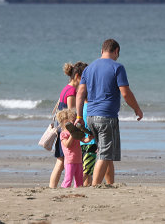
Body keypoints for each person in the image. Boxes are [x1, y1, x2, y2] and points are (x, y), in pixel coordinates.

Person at [75, 39, 143, 186]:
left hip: (91, 116)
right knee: (104, 155)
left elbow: (80, 93)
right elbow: (125, 93)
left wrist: (80, 116)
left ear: (102, 51)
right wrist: (136, 108)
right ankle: (95, 186)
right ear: (116, 51)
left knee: (106, 153)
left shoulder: (89, 68)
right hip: (106, 117)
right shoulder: (117, 67)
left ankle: (110, 184)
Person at [49, 61, 88, 188]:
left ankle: (52, 187)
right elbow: (71, 114)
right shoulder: (71, 91)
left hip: (63, 129)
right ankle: (52, 187)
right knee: (61, 162)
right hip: (66, 131)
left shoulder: (66, 88)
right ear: (77, 76)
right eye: (85, 78)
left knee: (60, 161)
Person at [56, 108, 94, 188]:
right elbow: (67, 145)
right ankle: (64, 189)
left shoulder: (76, 132)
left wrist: (88, 139)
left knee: (79, 180)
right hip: (70, 161)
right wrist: (72, 135)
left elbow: (83, 139)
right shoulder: (63, 134)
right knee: (68, 179)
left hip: (79, 160)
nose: (74, 123)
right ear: (65, 122)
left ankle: (77, 192)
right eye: (72, 121)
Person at [81, 101, 97, 186]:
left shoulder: (81, 107)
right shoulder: (92, 108)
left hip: (82, 141)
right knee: (87, 170)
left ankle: (87, 186)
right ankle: (77, 185)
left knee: (88, 169)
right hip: (91, 142)